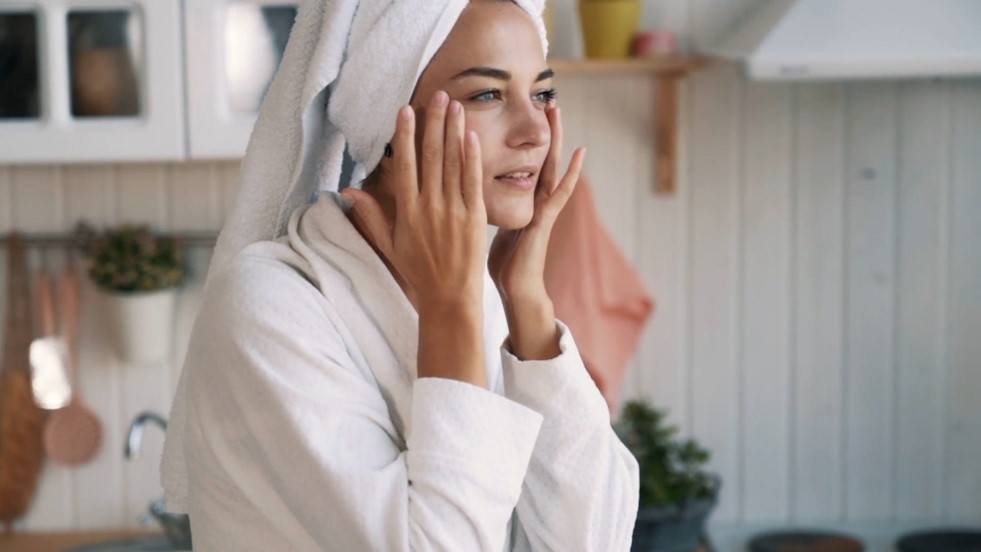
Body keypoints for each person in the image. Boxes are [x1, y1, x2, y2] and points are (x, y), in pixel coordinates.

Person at [161, 0, 639, 550]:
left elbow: (595, 540)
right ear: (392, 119)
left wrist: (527, 301)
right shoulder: (269, 308)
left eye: (543, 94)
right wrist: (450, 312)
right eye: (487, 94)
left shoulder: (486, 300)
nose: (534, 131)